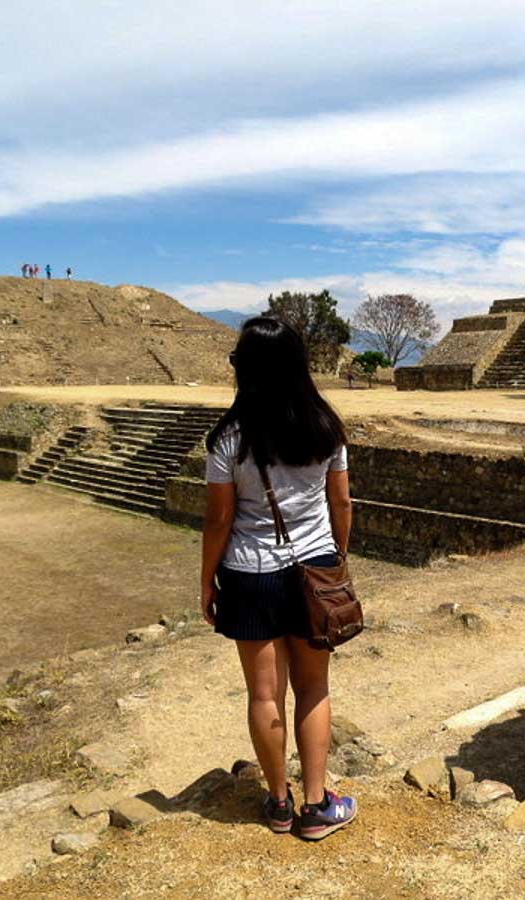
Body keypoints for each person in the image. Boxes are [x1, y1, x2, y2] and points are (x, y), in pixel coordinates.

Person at [201, 317, 358, 841]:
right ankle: (317, 807)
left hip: (249, 574)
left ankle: (277, 801)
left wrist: (207, 581)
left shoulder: (228, 437)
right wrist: (338, 556)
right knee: (313, 688)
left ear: (244, 369)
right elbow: (340, 500)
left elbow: (220, 520)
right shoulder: (325, 427)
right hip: (314, 568)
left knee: (264, 694)